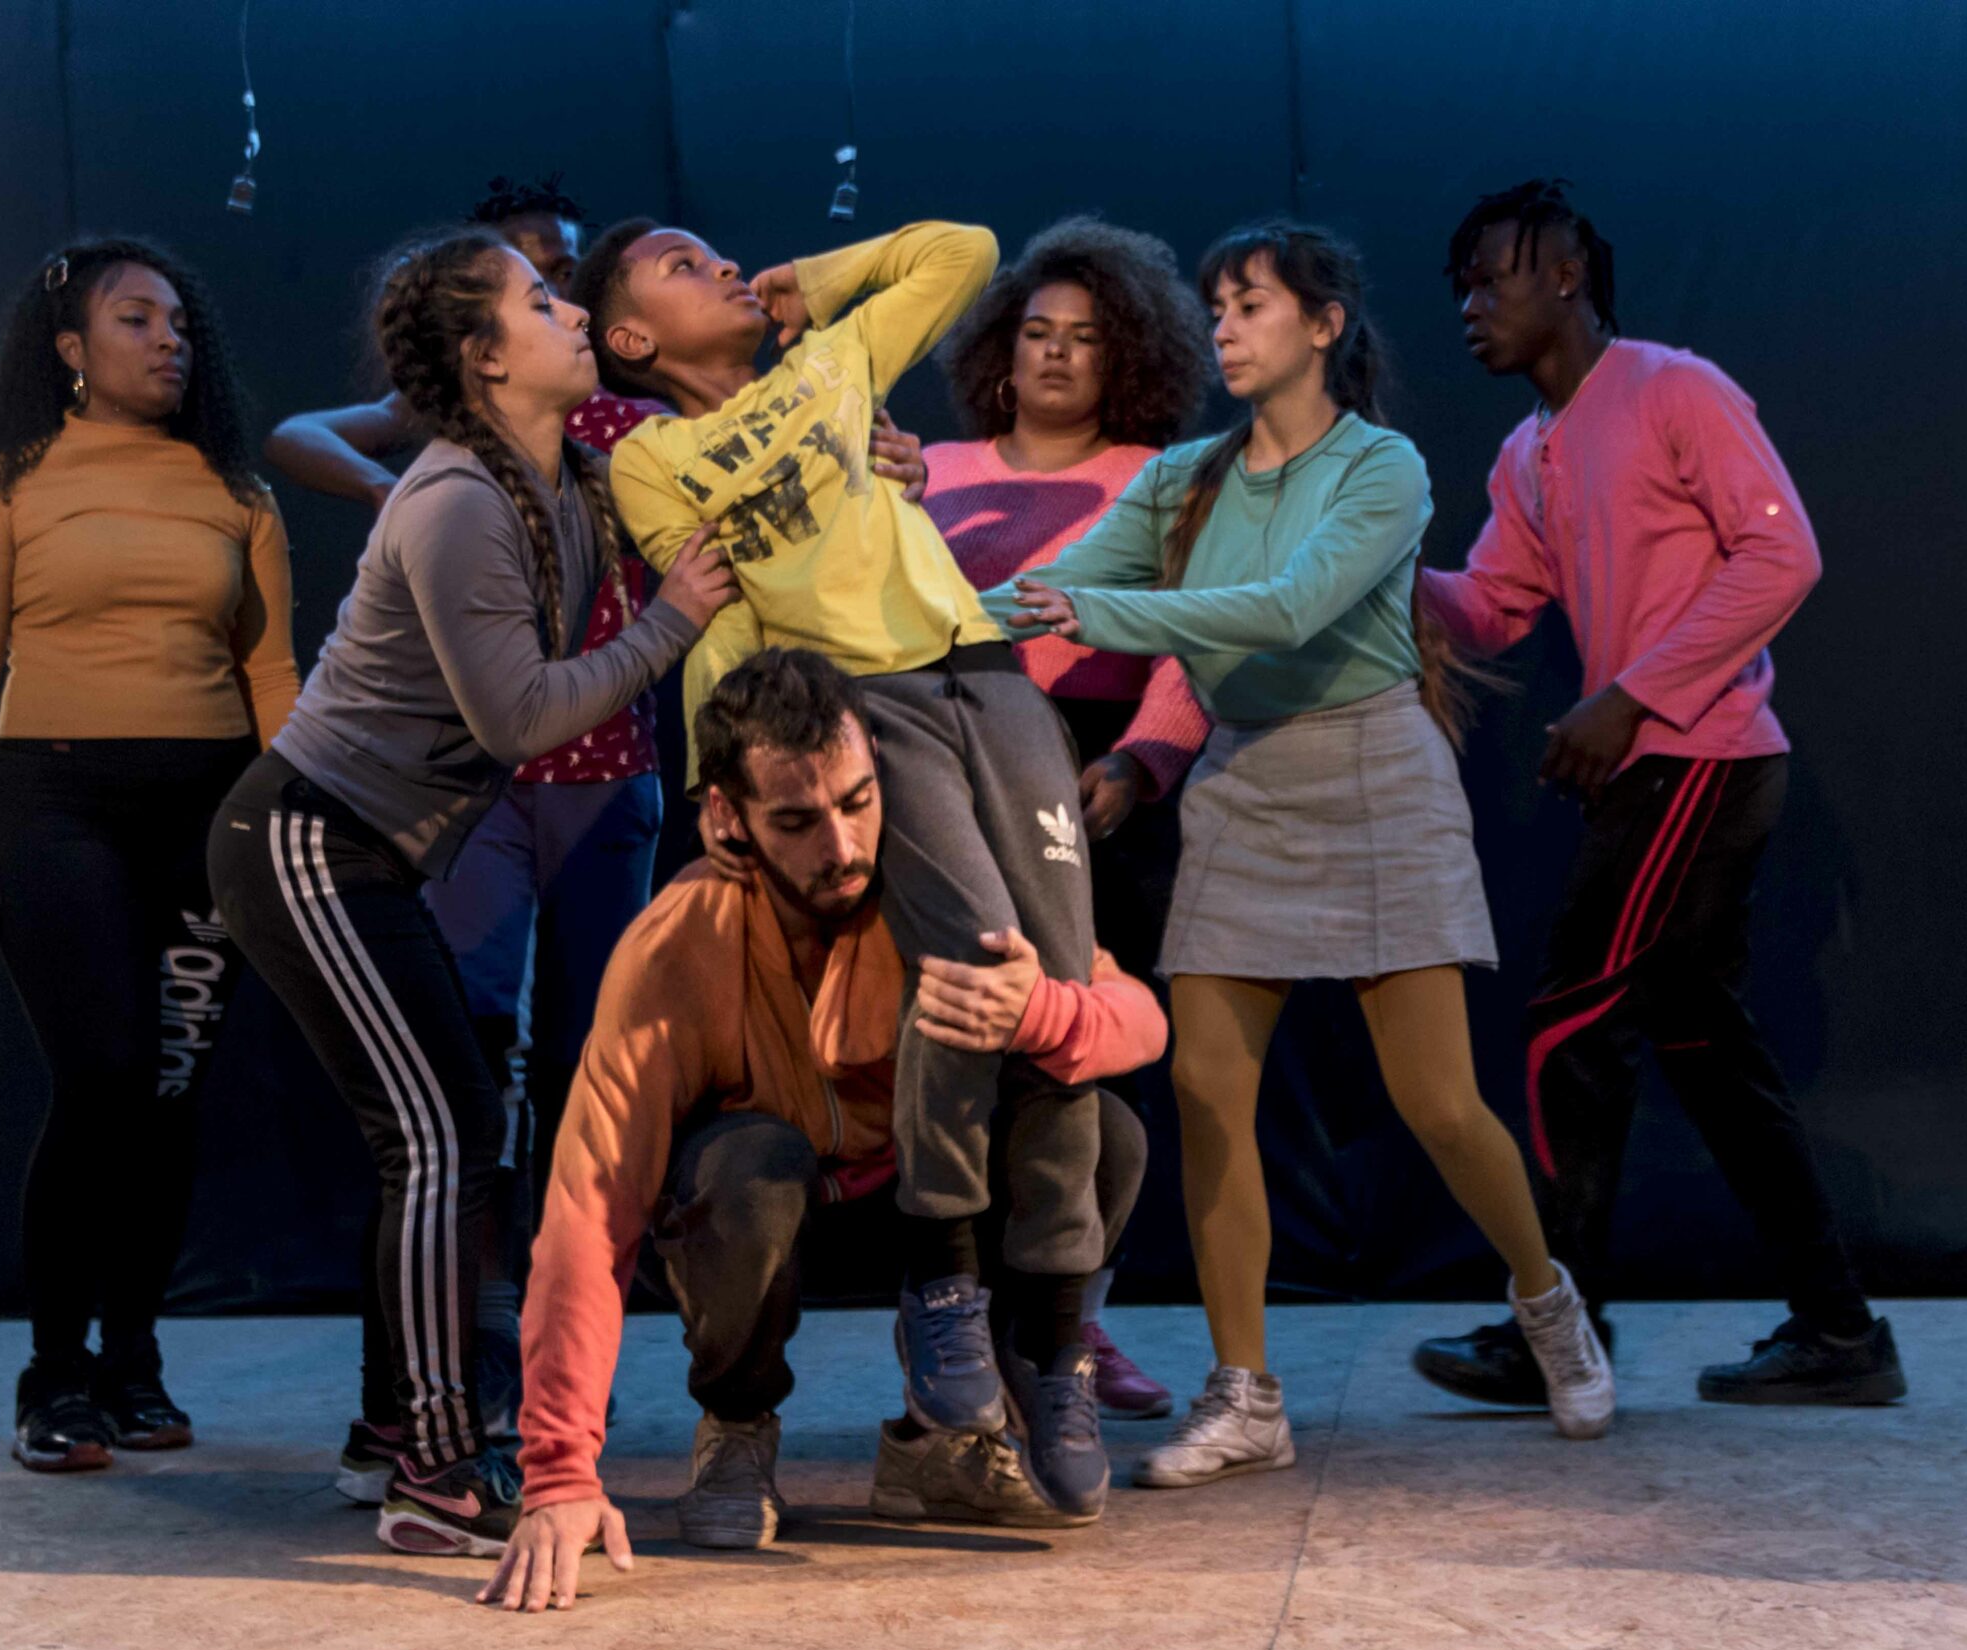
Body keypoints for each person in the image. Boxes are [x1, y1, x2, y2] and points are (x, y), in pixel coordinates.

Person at [265, 183, 932, 1482]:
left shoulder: (650, 433)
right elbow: (302, 434)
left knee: (602, 1070)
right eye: (536, 282)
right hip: (491, 784)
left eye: (566, 275)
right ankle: (441, 1372)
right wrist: (397, 486)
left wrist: (884, 462)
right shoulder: (520, 437)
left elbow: (808, 498)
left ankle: (561, 1359)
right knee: (468, 1077)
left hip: (608, 769)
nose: (559, 296)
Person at [987, 222, 1616, 1488]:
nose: (1223, 326)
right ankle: (1245, 1394)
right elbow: (1041, 588)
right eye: (1216, 306)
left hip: (1375, 772)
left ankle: (1547, 1300)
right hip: (1243, 781)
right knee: (1208, 1089)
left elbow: (1287, 607)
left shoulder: (1380, 466)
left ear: (1323, 325)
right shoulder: (1184, 478)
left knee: (1439, 1102)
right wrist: (887, 610)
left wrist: (1099, 611)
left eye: (1251, 304)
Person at [206, 225, 738, 1556]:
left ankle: (399, 1433)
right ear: (483, 356)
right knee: (443, 1131)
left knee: (449, 1128)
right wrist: (669, 624)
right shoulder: (453, 497)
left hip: (373, 854)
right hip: (306, 838)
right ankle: (438, 1464)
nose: (573, 314)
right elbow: (518, 718)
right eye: (541, 301)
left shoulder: (567, 478)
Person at [573, 216, 1115, 1515]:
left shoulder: (831, 362)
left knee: (1060, 991)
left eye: (719, 253)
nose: (719, 265)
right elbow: (723, 618)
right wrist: (725, 775)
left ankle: (1053, 1348)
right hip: (870, 701)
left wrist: (812, 285)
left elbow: (964, 252)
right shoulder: (651, 457)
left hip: (984, 669)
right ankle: (944, 1284)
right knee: (972, 964)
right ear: (629, 336)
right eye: (680, 265)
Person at [480, 648, 1168, 1611]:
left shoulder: (935, 889)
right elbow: (588, 1215)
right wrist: (558, 1475)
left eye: (858, 803)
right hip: (764, 1230)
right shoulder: (680, 941)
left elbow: (1139, 1018)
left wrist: (1040, 1013)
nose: (842, 847)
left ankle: (945, 1446)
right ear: (729, 815)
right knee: (751, 1166)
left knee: (1107, 1135)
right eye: (797, 822)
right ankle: (736, 1429)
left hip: (931, 1226)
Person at [1411, 180, 1906, 1407]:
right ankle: (1841, 1332)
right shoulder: (1527, 450)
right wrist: (1375, 568)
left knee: (1572, 1022)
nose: (1469, 306)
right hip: (1656, 762)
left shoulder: (1674, 387)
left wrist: (1628, 696)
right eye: (1461, 288)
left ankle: (1556, 1327)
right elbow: (1493, 603)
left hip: (1705, 757)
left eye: (1490, 279)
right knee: (1702, 1042)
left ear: (1565, 275)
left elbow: (1784, 553)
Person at [0, 238, 298, 1472]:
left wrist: (291, 823)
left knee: (171, 1093)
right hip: (57, 804)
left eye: (179, 320)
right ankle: (54, 1369)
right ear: (72, 349)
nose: (169, 338)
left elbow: (270, 673)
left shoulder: (235, 488)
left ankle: (133, 1360)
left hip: (207, 811)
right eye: (136, 319)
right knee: (105, 1078)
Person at [923, 215, 1219, 1419]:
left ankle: (1074, 1316)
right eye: (1037, 330)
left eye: (1085, 337)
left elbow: (1193, 634)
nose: (1054, 352)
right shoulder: (926, 471)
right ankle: (963, 1319)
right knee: (967, 1048)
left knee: (1097, 1045)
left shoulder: (1166, 477)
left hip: (1101, 777)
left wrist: (1145, 760)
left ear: (1126, 353)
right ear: (1000, 345)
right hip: (952, 770)